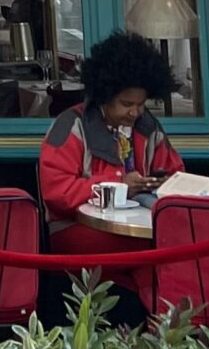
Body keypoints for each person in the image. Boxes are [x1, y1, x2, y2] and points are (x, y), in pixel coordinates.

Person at [39, 31, 186, 255]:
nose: (135, 112)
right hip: (75, 227)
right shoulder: (71, 125)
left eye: (141, 104)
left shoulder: (149, 127)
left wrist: (163, 182)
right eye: (126, 103)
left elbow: (176, 174)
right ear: (104, 95)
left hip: (139, 227)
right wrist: (119, 185)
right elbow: (58, 194)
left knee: (162, 253)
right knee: (161, 249)